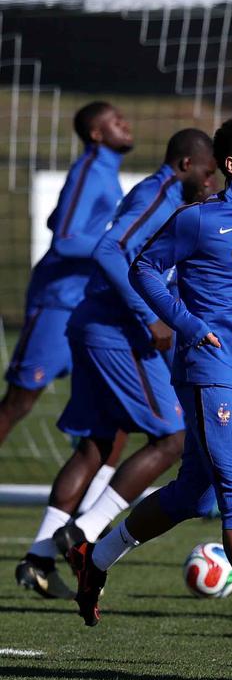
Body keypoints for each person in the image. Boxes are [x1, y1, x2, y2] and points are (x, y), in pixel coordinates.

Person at [67, 116, 232, 663]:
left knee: (196, 494)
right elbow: (143, 270)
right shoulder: (198, 221)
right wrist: (184, 325)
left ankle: (98, 557)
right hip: (207, 369)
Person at [15, 130, 216, 599]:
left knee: (98, 445)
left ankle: (38, 560)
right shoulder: (159, 193)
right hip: (114, 332)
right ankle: (84, 534)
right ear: (186, 165)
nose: (210, 185)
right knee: (171, 437)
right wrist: (149, 315)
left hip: (95, 325)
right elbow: (109, 250)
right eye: (207, 175)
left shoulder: (169, 197)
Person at [1, 102, 133, 448]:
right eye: (116, 122)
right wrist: (117, 248)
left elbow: (58, 219)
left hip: (86, 304)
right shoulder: (89, 170)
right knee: (18, 402)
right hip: (59, 302)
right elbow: (64, 239)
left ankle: (82, 499)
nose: (126, 125)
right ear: (96, 134)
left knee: (104, 407)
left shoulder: (105, 171)